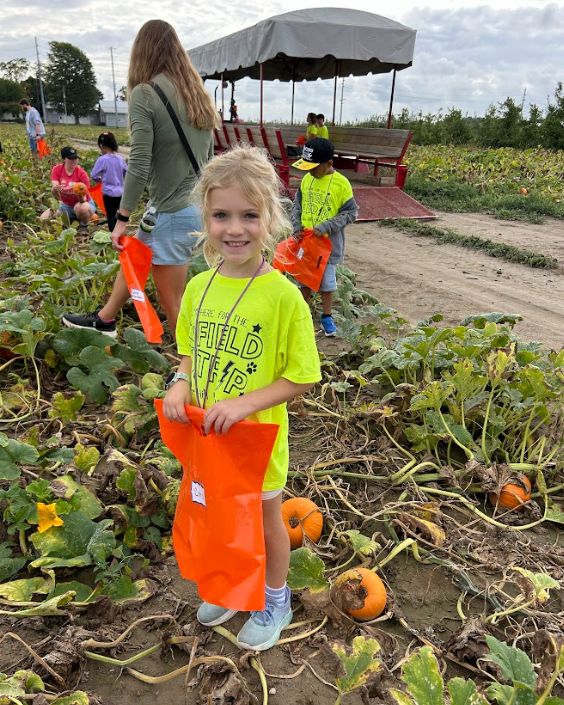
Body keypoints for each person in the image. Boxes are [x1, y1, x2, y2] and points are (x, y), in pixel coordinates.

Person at [162, 145, 321, 651]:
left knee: (265, 517)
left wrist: (245, 403)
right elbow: (188, 352)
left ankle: (276, 599)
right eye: (222, 215)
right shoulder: (198, 288)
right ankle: (233, 586)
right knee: (218, 514)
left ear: (270, 219)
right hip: (209, 437)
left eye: (249, 215)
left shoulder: (282, 297)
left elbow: (302, 377)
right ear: (205, 217)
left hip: (255, 440)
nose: (235, 229)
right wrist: (180, 383)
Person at [62, 19, 219, 339]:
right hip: (189, 207)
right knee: (133, 259)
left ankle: (194, 375)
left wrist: (121, 217)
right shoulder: (198, 94)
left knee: (172, 302)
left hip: (172, 212)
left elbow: (140, 161)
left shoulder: (146, 94)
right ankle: (106, 319)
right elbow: (210, 157)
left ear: (142, 52)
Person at [291, 138, 359, 337]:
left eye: (313, 167)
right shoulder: (306, 180)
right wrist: (296, 226)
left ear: (329, 164)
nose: (309, 171)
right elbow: (297, 206)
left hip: (326, 247)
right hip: (305, 244)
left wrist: (327, 226)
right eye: (306, 167)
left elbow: (350, 213)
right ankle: (303, 315)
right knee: (303, 281)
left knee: (326, 283)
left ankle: (326, 317)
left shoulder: (341, 184)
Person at [49, 146, 96, 228]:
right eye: (71, 158)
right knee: (53, 218)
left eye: (75, 158)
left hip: (83, 203)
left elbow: (84, 199)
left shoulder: (81, 173)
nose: (74, 161)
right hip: (66, 205)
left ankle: (85, 224)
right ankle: (75, 218)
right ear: (64, 159)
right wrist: (55, 189)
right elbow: (55, 191)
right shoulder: (57, 169)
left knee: (81, 209)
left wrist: (80, 197)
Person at [90, 132, 127, 232]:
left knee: (110, 214)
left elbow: (93, 175)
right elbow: (126, 173)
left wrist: (100, 180)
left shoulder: (102, 160)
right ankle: (120, 233)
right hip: (119, 192)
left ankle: (113, 234)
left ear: (102, 146)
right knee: (119, 214)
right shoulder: (120, 158)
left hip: (108, 193)